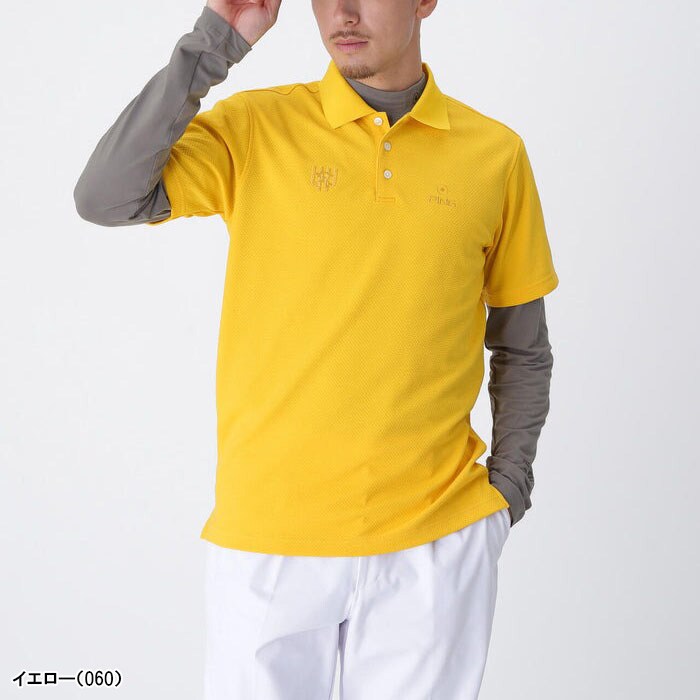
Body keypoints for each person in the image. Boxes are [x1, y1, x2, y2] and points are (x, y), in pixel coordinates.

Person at [73, 1, 559, 698]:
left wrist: (507, 492)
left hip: (436, 540)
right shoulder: (256, 127)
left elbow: (522, 344)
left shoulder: (495, 153)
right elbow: (106, 197)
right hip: (268, 539)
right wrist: (214, 42)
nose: (342, 12)